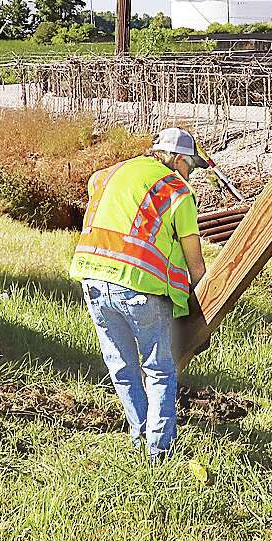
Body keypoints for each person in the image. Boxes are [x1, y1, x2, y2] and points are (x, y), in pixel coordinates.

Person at [69, 127, 207, 462]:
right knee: (159, 370)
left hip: (92, 276)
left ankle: (141, 437)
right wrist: (201, 310)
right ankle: (159, 453)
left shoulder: (109, 173)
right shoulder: (176, 190)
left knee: (122, 366)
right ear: (177, 159)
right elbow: (196, 263)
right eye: (190, 165)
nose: (190, 173)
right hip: (139, 286)